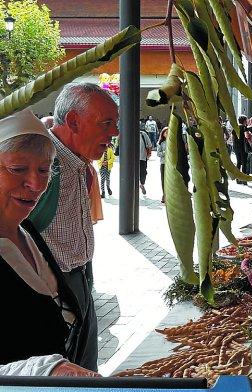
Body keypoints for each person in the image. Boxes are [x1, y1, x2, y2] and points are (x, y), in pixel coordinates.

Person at [0, 109, 99, 377]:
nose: (35, 183)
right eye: (18, 169)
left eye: (44, 170)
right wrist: (46, 370)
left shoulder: (27, 231)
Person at [28, 83, 119, 372]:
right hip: (49, 294)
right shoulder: (41, 164)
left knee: (84, 372)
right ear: (73, 122)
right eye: (107, 123)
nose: (114, 132)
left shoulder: (78, 163)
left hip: (78, 283)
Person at [233, 115, 248, 184]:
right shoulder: (244, 127)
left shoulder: (235, 128)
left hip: (236, 147)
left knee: (238, 162)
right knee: (244, 162)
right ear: (244, 121)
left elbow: (232, 137)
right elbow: (247, 136)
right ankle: (244, 179)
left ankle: (237, 178)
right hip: (243, 147)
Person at [139, 126, 153, 195]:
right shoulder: (129, 134)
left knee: (143, 172)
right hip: (132, 159)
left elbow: (150, 145)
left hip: (142, 157)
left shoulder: (143, 134)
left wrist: (149, 154)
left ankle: (142, 184)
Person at [156, 127, 168, 203]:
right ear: (163, 134)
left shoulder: (173, 141)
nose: (167, 134)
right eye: (166, 132)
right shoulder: (160, 143)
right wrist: (165, 152)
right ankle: (164, 195)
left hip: (172, 164)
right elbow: (158, 154)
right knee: (163, 180)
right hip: (163, 163)